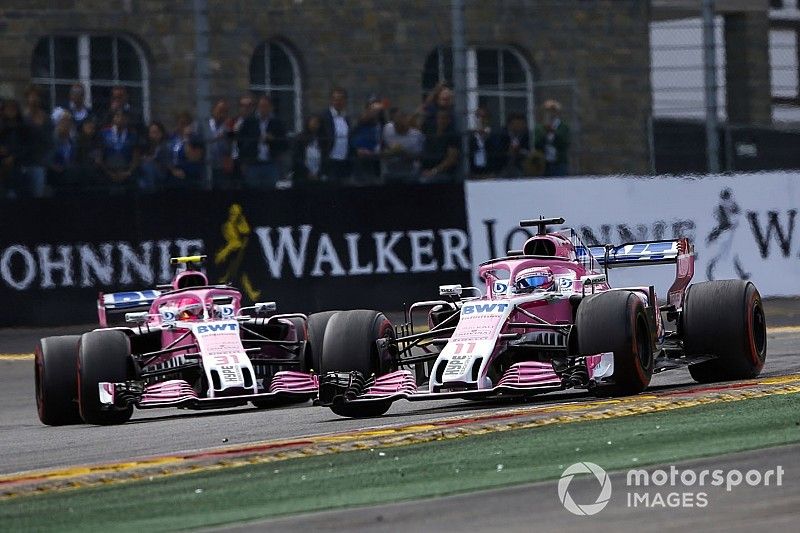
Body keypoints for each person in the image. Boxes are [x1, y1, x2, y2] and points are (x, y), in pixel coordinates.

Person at [237, 94, 288, 189]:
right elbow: (240, 142)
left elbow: (284, 144)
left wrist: (273, 139)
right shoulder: (249, 121)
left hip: (271, 163)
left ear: (271, 107)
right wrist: (244, 161)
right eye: (261, 106)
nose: (263, 109)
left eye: (266, 106)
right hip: (253, 164)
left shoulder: (277, 123)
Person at [22, 85, 51, 197]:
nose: (34, 99)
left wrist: (46, 161)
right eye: (31, 96)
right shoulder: (22, 118)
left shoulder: (46, 119)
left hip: (39, 164)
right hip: (23, 163)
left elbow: (50, 143)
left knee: (37, 196)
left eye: (36, 96)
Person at [319, 87, 353, 183]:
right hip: (330, 160)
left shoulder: (346, 118)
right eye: (335, 99)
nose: (338, 102)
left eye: (341, 99)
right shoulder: (325, 116)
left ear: (345, 101)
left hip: (344, 160)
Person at [99, 110, 140, 192]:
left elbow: (136, 156)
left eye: (123, 117)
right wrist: (110, 173)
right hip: (108, 172)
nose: (120, 119)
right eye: (117, 116)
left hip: (127, 172)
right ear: (113, 118)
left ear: (127, 119)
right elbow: (99, 157)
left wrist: (128, 172)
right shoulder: (103, 133)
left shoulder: (133, 135)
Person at [381, 109, 423, 183]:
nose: (397, 128)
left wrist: (402, 152)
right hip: (390, 173)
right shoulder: (387, 128)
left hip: (410, 174)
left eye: (400, 125)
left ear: (406, 121)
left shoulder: (416, 135)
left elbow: (418, 157)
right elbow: (382, 148)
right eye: (396, 125)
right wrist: (389, 152)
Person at [351, 96, 386, 185]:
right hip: (362, 160)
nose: (375, 111)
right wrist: (358, 149)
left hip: (376, 161)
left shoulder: (382, 124)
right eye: (372, 108)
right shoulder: (362, 122)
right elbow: (353, 138)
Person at [0, 99, 30, 198]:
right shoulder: (2, 125)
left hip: (18, 164)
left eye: (13, 109)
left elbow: (26, 146)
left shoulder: (22, 126)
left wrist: (14, 157)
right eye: (8, 109)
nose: (10, 111)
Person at [203, 99, 235, 189]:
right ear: (213, 110)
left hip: (222, 167)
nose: (222, 114)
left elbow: (232, 147)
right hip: (207, 166)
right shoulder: (205, 125)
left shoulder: (228, 127)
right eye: (220, 110)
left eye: (225, 112)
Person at [420, 109, 460, 183]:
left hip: (443, 173)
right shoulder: (430, 131)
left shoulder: (452, 135)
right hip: (425, 169)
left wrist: (434, 171)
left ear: (449, 120)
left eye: (444, 118)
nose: (442, 120)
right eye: (439, 118)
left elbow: (452, 159)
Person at [534, 99, 570, 176]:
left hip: (559, 163)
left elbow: (565, 143)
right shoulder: (539, 128)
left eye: (553, 110)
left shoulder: (563, 127)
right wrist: (545, 134)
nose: (550, 113)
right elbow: (536, 144)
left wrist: (553, 132)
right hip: (544, 164)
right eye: (547, 110)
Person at [48, 112, 79, 193]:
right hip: (54, 174)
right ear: (58, 124)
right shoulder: (51, 139)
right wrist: (54, 166)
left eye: (69, 122)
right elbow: (46, 158)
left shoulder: (72, 142)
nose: (66, 125)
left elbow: (73, 159)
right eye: (63, 122)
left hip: (69, 174)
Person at [138, 121, 172, 192]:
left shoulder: (166, 145)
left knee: (147, 166)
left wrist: (151, 160)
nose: (154, 135)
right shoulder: (147, 144)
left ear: (161, 133)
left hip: (162, 171)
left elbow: (165, 161)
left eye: (156, 132)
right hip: (148, 173)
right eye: (152, 132)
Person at [291, 114, 324, 186]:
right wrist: (307, 172)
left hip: (317, 176)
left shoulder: (322, 139)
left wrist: (318, 173)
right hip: (302, 176)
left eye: (317, 123)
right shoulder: (300, 138)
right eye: (313, 122)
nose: (315, 125)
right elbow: (297, 157)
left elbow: (325, 156)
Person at [497, 112, 531, 177]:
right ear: (510, 124)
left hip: (521, 167)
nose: (521, 126)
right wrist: (508, 152)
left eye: (522, 124)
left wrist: (519, 151)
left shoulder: (526, 135)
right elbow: (498, 152)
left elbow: (528, 151)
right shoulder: (501, 135)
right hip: (503, 166)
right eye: (518, 124)